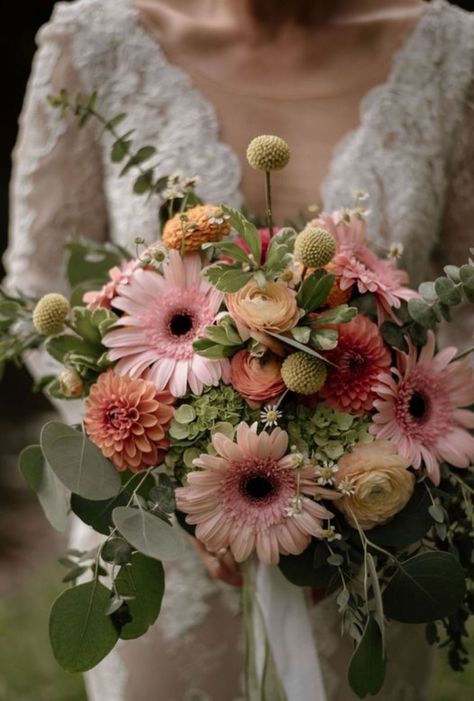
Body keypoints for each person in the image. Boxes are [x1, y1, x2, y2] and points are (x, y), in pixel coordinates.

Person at [4, 0, 474, 699]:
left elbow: (464, 303)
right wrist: (159, 478)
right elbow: (42, 289)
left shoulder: (450, 50)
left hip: (373, 536)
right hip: (163, 555)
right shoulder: (95, 41)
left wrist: (375, 461)